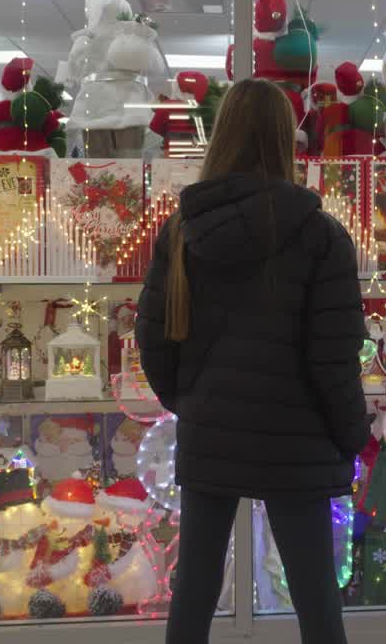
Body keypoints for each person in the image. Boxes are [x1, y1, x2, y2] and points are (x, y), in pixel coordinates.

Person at [137, 78, 368, 644]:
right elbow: (334, 356)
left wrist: (192, 401)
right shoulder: (321, 236)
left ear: (222, 137)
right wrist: (350, 435)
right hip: (298, 440)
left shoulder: (183, 231)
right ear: (286, 141)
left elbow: (154, 337)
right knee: (314, 592)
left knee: (193, 588)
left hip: (211, 432)